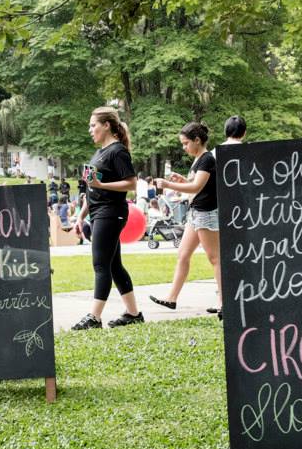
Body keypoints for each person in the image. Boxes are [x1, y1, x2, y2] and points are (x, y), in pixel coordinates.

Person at [71, 106, 143, 330]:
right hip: (98, 212)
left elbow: (131, 184)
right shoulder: (99, 153)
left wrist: (102, 185)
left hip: (111, 212)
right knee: (114, 266)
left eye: (93, 125)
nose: (90, 130)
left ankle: (94, 317)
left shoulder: (117, 151)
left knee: (100, 264)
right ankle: (133, 314)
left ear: (106, 125)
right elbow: (91, 189)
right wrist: (80, 216)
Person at [149, 122, 222, 316]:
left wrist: (168, 184)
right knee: (183, 254)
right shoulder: (199, 159)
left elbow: (197, 187)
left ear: (197, 140)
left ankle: (224, 301)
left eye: (185, 143)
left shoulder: (206, 159)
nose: (184, 147)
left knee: (215, 258)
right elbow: (197, 185)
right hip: (196, 213)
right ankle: (171, 298)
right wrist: (183, 180)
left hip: (206, 214)